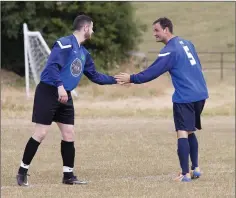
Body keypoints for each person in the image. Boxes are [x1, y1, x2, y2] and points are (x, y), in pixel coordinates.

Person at [17, 14, 117, 186]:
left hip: (65, 94)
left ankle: (68, 176)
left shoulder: (84, 53)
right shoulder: (64, 43)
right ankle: (22, 172)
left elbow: (95, 76)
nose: (92, 31)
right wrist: (60, 86)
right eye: (92, 28)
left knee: (69, 133)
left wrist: (117, 80)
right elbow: (52, 66)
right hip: (49, 91)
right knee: (41, 133)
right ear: (85, 28)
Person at [115, 17, 209, 182]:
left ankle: (185, 174)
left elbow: (152, 72)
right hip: (200, 94)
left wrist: (132, 78)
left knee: (182, 133)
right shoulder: (188, 44)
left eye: (157, 30)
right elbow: (198, 67)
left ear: (166, 29)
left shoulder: (170, 50)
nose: (154, 34)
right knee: (190, 130)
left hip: (185, 97)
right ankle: (196, 168)